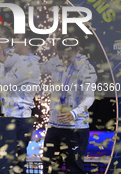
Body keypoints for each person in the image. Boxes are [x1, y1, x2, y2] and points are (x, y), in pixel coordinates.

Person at [42, 37, 97, 174]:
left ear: (77, 50)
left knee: (74, 169)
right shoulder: (56, 62)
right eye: (62, 54)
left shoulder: (86, 69)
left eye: (70, 54)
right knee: (50, 168)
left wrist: (73, 113)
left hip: (75, 128)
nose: (66, 58)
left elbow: (89, 98)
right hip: (54, 126)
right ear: (58, 51)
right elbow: (39, 69)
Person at [0, 28, 42, 173]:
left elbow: (2, 86)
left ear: (26, 41)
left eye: (18, 37)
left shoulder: (28, 63)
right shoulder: (23, 60)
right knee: (9, 165)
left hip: (18, 122)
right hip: (14, 120)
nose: (15, 41)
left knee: (15, 167)